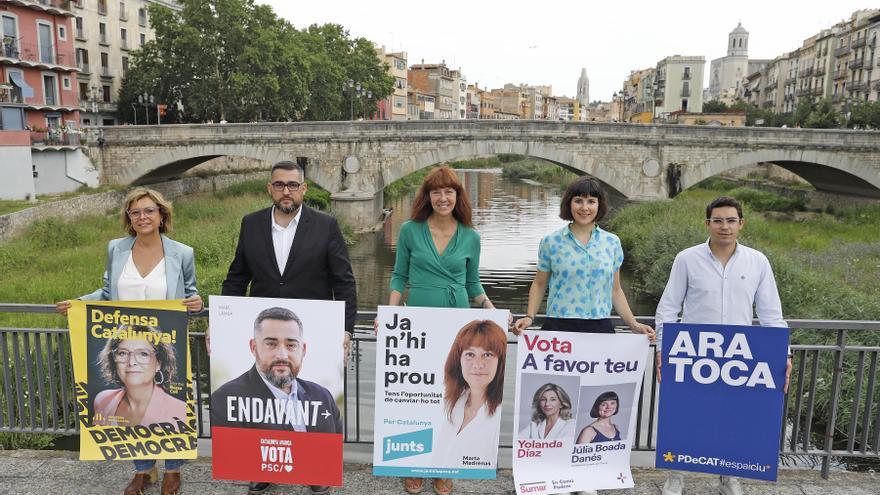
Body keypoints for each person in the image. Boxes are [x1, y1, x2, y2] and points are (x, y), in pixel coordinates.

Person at [221, 160, 356, 495]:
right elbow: (237, 277)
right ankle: (263, 468)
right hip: (267, 330)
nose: (286, 191)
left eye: (292, 185)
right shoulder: (251, 224)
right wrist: (221, 322)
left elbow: (345, 282)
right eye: (279, 185)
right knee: (264, 401)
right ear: (269, 188)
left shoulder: (325, 226)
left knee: (311, 403)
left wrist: (346, 331)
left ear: (304, 189)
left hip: (312, 331)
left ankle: (315, 470)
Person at [56, 187, 202, 495]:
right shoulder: (116, 249)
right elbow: (107, 293)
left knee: (173, 408)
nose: (142, 217)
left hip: (166, 344)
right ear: (128, 218)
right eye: (135, 212)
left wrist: (196, 303)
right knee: (131, 409)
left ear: (162, 215)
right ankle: (143, 471)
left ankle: (172, 471)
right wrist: (78, 302)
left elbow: (190, 293)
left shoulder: (182, 252)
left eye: (149, 210)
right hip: (125, 344)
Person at [654, 196, 792, 495]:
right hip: (694, 353)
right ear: (708, 224)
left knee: (732, 417)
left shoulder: (758, 261)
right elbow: (668, 308)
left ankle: (729, 475)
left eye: (731, 220)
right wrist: (662, 349)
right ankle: (676, 474)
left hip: (737, 356)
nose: (724, 227)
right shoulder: (686, 258)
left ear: (741, 224)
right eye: (718, 220)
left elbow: (771, 314)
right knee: (686, 415)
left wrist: (784, 354)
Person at [388, 166, 497, 495]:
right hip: (419, 321)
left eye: (449, 191)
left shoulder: (471, 236)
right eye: (436, 191)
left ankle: (445, 465)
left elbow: (472, 283)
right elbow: (398, 276)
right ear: (428, 196)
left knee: (453, 392)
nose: (443, 197)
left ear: (459, 196)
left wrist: (492, 311)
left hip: (456, 321)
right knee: (417, 395)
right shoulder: (409, 230)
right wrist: (391, 311)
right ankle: (414, 462)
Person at [512, 176, 655, 340]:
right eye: (578, 201)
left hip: (600, 327)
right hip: (559, 327)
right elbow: (539, 283)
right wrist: (529, 317)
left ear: (599, 205)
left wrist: (634, 324)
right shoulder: (551, 242)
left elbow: (615, 290)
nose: (584, 208)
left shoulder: (612, 243)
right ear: (569, 203)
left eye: (591, 201)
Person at [209, 307, 341, 432]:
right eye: (271, 344)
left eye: (291, 345)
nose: (282, 355)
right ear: (253, 347)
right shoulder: (225, 399)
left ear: (303, 350)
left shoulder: (323, 396)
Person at [432, 320, 507, 468]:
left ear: (500, 361)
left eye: (487, 354)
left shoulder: (501, 413)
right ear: (458, 360)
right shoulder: (454, 402)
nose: (478, 364)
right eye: (470, 354)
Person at [93, 326, 186, 427]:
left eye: (143, 354)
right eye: (122, 353)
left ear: (158, 364)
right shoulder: (103, 400)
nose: (131, 362)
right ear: (113, 360)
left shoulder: (181, 411)